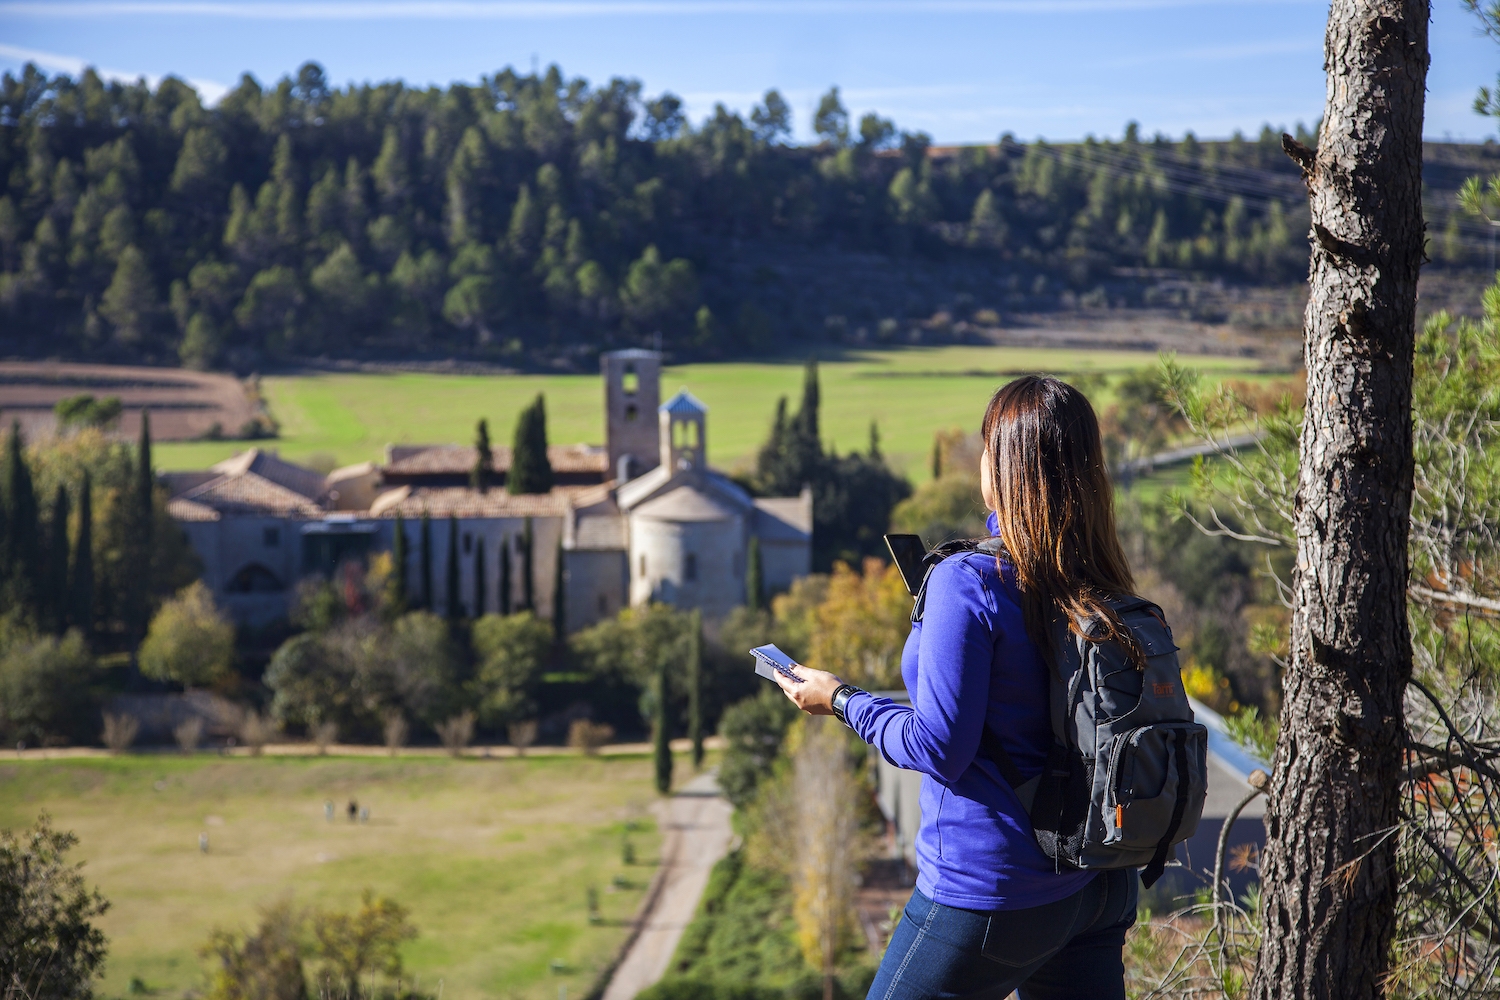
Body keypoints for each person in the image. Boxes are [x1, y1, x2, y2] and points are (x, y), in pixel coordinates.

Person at [774, 376, 1139, 1000]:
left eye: (987, 447)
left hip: (993, 891)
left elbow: (941, 745)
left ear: (1005, 467)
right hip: (1098, 886)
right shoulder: (1098, 573)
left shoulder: (966, 582)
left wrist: (839, 699)